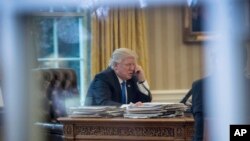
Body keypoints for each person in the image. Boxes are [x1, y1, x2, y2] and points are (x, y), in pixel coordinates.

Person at [85, 48, 152, 106]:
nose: (132, 68)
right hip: (99, 119)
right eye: (128, 65)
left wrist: (141, 81)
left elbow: (147, 101)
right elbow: (104, 103)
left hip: (124, 119)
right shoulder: (103, 78)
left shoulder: (132, 79)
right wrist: (128, 107)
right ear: (116, 66)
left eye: (134, 64)